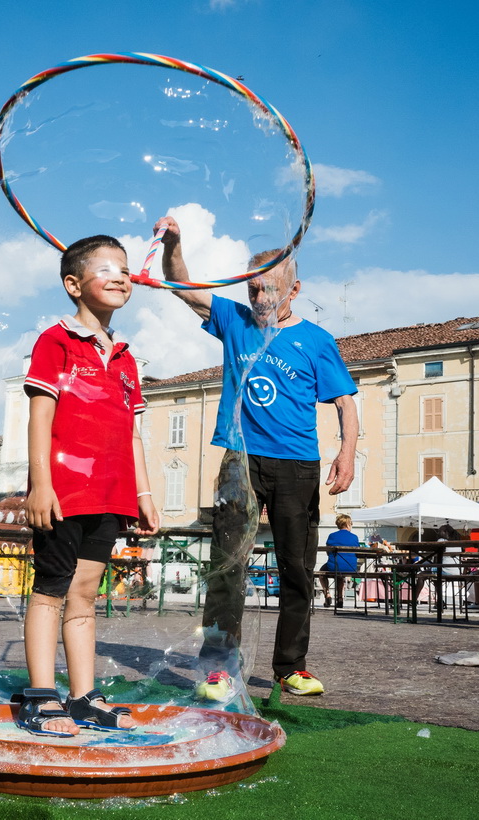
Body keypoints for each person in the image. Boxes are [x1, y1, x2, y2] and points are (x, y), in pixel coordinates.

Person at [157, 215, 357, 699]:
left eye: (269, 291)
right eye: (253, 292)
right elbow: (180, 284)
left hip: (297, 465)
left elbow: (345, 402)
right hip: (239, 460)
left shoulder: (317, 341)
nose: (261, 301)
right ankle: (219, 667)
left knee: (297, 568)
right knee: (228, 566)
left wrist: (347, 452)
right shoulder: (235, 321)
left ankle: (291, 666)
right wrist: (174, 244)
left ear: (294, 288)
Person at [19, 234, 160, 736]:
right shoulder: (55, 340)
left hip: (111, 493)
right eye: (107, 269)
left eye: (125, 268)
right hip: (63, 489)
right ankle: (40, 695)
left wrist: (142, 495)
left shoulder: (124, 356)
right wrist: (41, 484)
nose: (123, 276)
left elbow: (133, 432)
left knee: (85, 593)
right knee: (51, 591)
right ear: (73, 284)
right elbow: (40, 416)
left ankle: (82, 695)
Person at [318, 513, 361, 608]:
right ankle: (340, 598)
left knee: (321, 573)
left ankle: (327, 594)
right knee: (340, 575)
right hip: (351, 568)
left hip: (334, 566)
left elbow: (328, 552)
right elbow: (358, 553)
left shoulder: (332, 536)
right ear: (348, 524)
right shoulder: (354, 537)